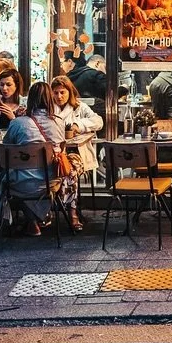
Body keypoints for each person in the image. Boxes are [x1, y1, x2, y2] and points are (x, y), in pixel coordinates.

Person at [0, 81, 70, 235]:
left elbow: (6, 147)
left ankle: (29, 221)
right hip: (50, 181)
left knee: (3, 179)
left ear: (29, 100)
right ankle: (39, 218)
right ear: (50, 99)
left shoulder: (18, 123)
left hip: (21, 183)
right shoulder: (58, 122)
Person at [51, 74, 103, 232]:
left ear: (69, 92)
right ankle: (45, 211)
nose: (59, 96)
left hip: (75, 152)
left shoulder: (79, 107)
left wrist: (78, 125)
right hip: (54, 153)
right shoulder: (47, 108)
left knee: (69, 171)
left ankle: (72, 212)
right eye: (56, 92)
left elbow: (98, 121)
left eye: (62, 92)